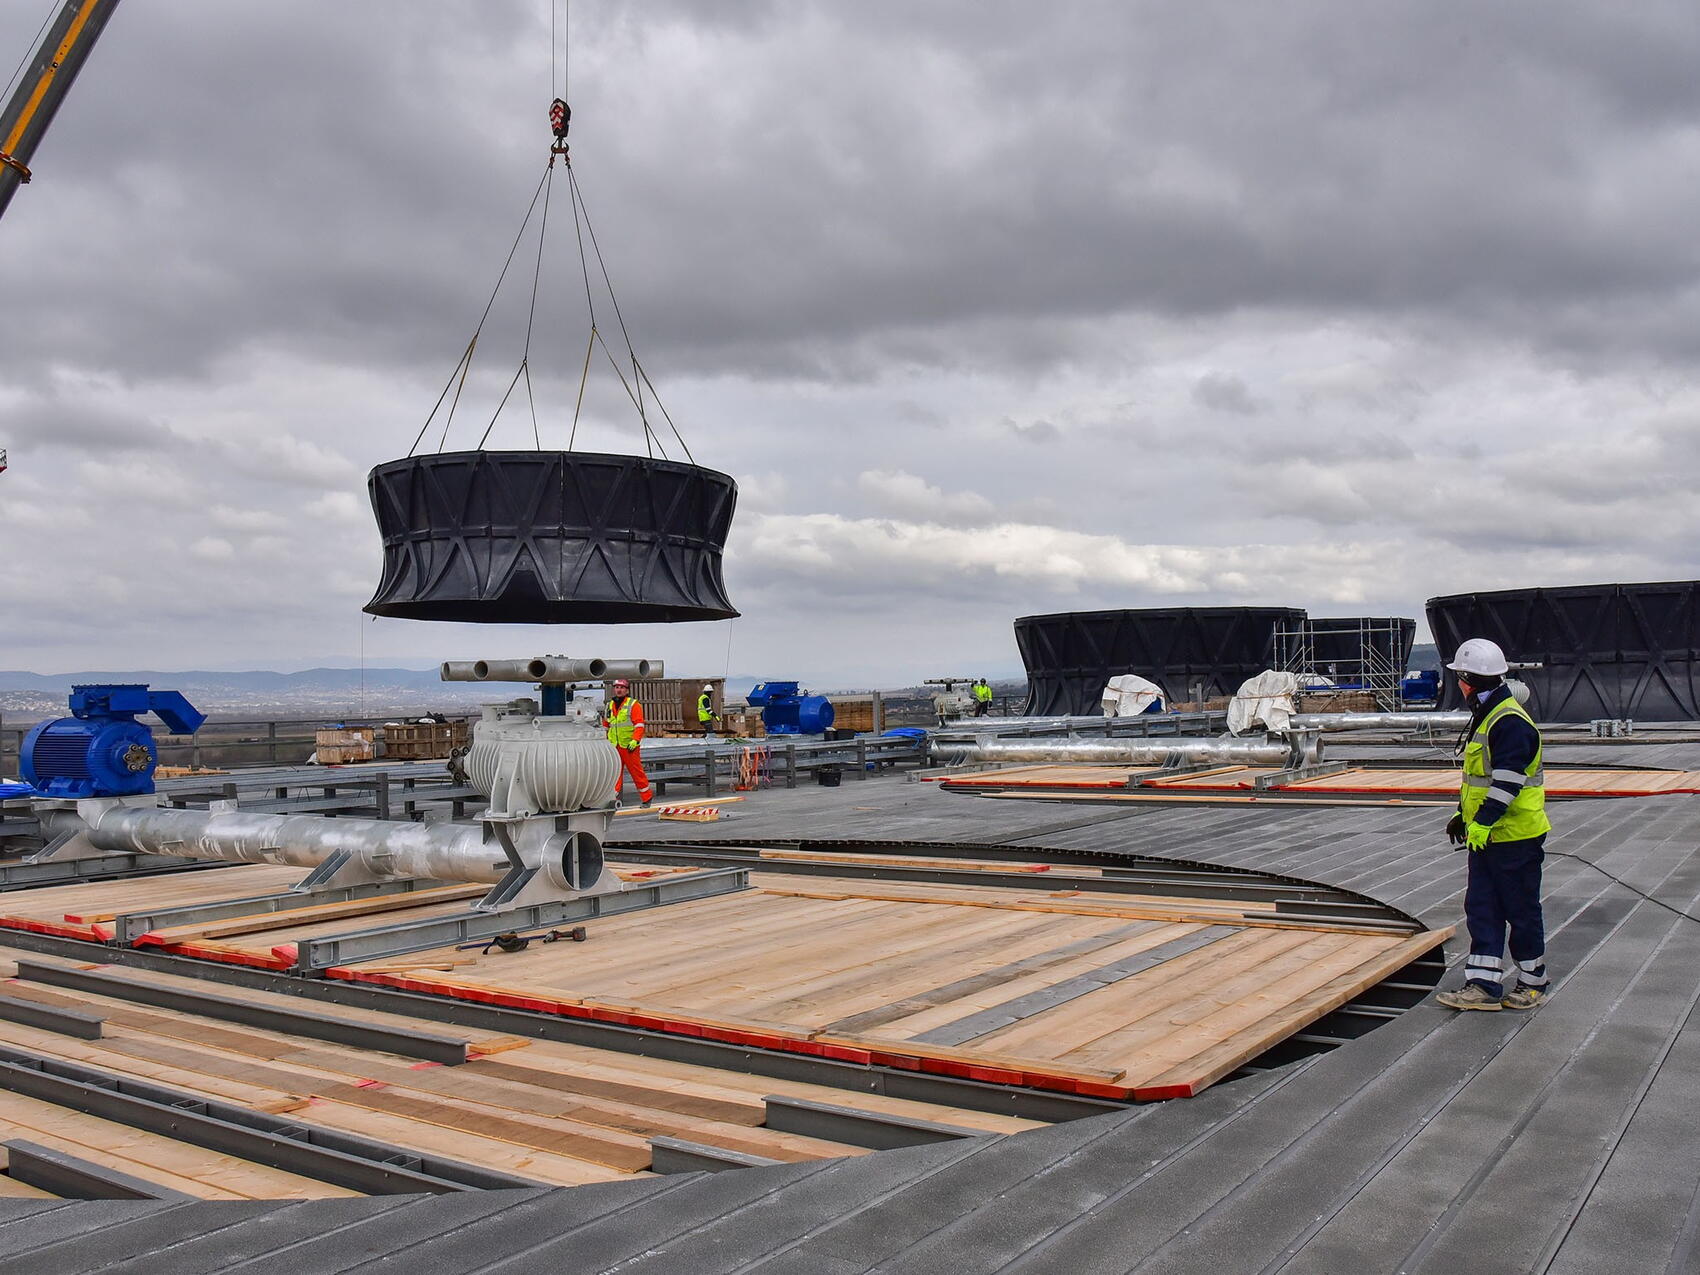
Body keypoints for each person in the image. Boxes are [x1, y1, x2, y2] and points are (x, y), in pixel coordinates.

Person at [1435, 637, 1551, 1012]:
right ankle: (1483, 985)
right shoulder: (1488, 714)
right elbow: (1478, 778)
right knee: (1483, 907)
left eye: (1460, 679)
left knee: (1520, 910)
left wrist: (1482, 822)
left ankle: (1533, 983)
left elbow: (1507, 783)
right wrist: (1463, 816)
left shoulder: (1510, 722)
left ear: (1468, 680)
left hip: (1515, 836)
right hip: (1487, 836)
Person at [600, 678, 653, 806]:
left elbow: (639, 725)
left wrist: (635, 741)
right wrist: (603, 740)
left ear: (627, 690)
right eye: (617, 687)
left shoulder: (633, 704)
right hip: (614, 746)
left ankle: (647, 798)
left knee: (636, 772)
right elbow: (606, 724)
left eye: (622, 687)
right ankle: (611, 799)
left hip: (629, 746)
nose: (619, 690)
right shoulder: (609, 705)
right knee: (614, 774)